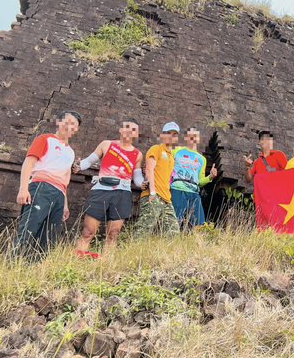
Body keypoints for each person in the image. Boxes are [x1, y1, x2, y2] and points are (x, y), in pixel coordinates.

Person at [72, 119, 145, 257]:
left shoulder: (138, 154)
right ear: (120, 129)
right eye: (127, 127)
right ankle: (77, 261)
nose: (130, 131)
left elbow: (137, 178)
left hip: (122, 193)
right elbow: (88, 161)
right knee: (88, 231)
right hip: (101, 189)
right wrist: (78, 166)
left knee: (113, 234)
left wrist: (144, 183)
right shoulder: (106, 145)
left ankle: (105, 265)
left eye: (134, 129)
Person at [14, 110, 82, 256]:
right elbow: (28, 163)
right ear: (58, 122)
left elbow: (65, 180)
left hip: (59, 193)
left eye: (73, 125)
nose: (69, 127)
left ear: (76, 129)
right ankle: (14, 265)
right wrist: (23, 188)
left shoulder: (71, 152)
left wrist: (65, 204)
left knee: (47, 237)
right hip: (41, 186)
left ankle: (35, 269)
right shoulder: (45, 139)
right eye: (67, 122)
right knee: (29, 229)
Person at [134, 122, 180, 237]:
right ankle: (134, 254)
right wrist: (152, 191)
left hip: (167, 198)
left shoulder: (171, 157)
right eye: (168, 133)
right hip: (154, 194)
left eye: (174, 134)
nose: (171, 136)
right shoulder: (156, 149)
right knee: (144, 229)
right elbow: (149, 169)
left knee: (173, 232)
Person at [170, 127, 218, 229]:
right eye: (190, 135)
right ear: (186, 137)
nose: (193, 138)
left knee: (199, 224)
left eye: (195, 135)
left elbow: (199, 181)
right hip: (177, 188)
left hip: (194, 192)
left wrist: (210, 177)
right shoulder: (176, 151)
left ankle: (198, 244)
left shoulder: (202, 159)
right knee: (174, 222)